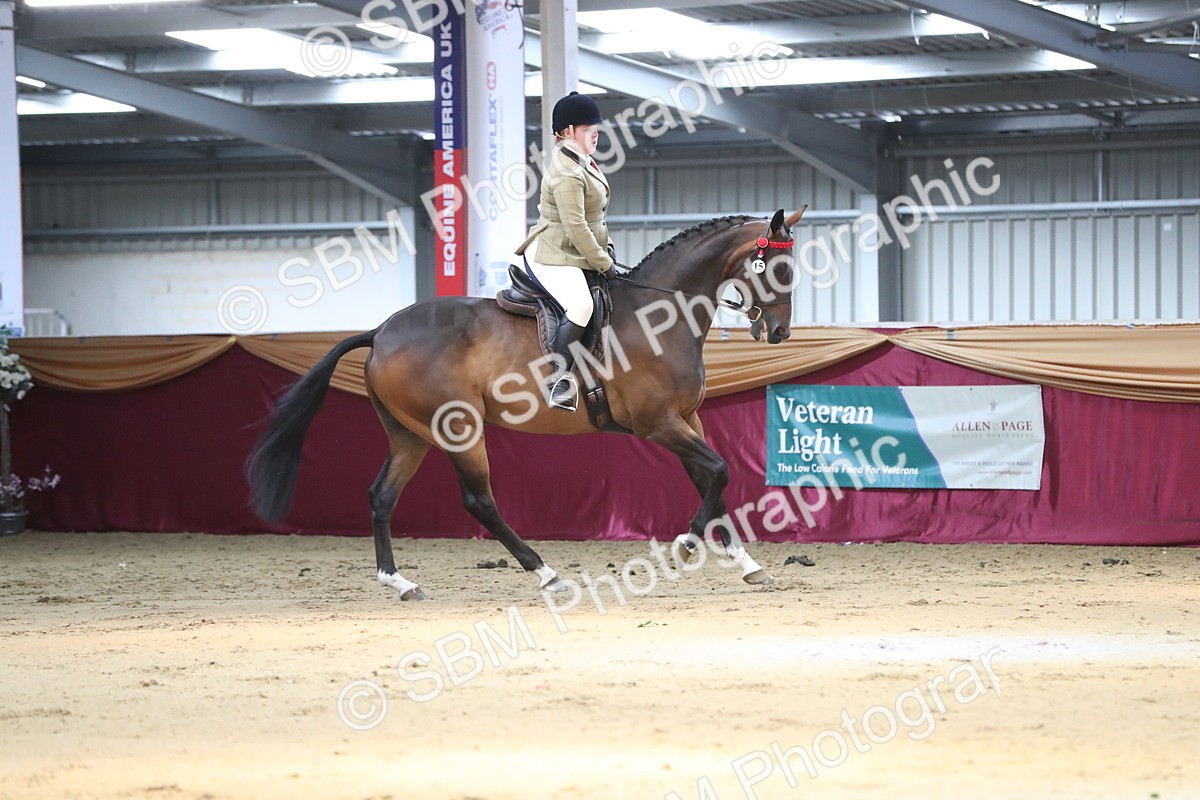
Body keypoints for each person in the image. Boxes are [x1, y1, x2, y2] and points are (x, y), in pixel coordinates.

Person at [514, 91, 614, 412]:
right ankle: (558, 380)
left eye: (595, 128)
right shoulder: (566, 172)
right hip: (553, 254)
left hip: (575, 250)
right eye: (588, 129)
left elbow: (595, 219)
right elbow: (576, 227)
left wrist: (605, 248)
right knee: (582, 305)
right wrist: (602, 260)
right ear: (568, 132)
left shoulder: (583, 162)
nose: (595, 134)